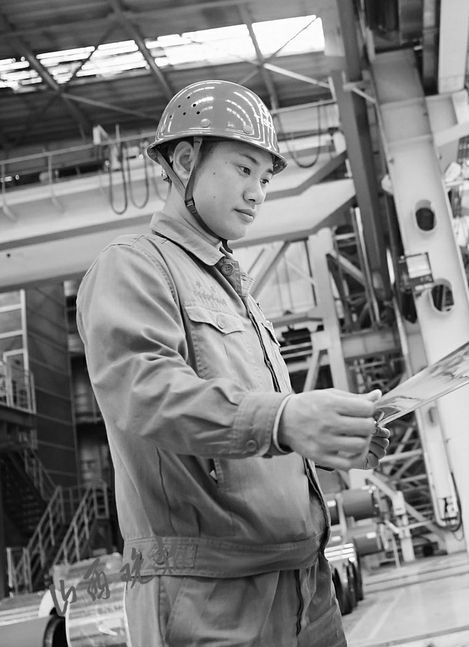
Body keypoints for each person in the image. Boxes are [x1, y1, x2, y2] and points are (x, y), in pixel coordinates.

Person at [76, 80, 390, 646]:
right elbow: (143, 391)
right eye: (244, 169)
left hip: (303, 580)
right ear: (185, 161)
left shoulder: (238, 295)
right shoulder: (133, 267)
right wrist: (284, 419)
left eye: (265, 178)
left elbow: (256, 435)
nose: (257, 192)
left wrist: (328, 436)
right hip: (212, 598)